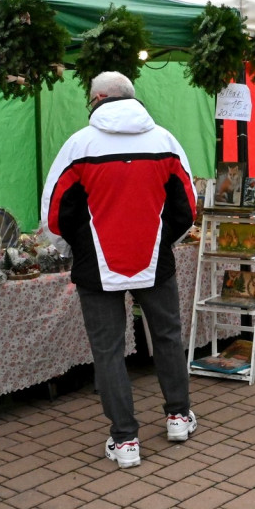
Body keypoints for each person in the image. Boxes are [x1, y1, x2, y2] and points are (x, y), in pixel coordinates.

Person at [41, 71, 197, 470]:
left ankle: (125, 439)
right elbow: (186, 207)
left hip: (96, 266)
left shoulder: (79, 145)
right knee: (166, 336)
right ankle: (178, 416)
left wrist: (75, 248)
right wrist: (162, 242)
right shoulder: (164, 140)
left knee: (108, 350)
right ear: (132, 96)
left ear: (97, 98)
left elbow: (55, 213)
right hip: (154, 259)